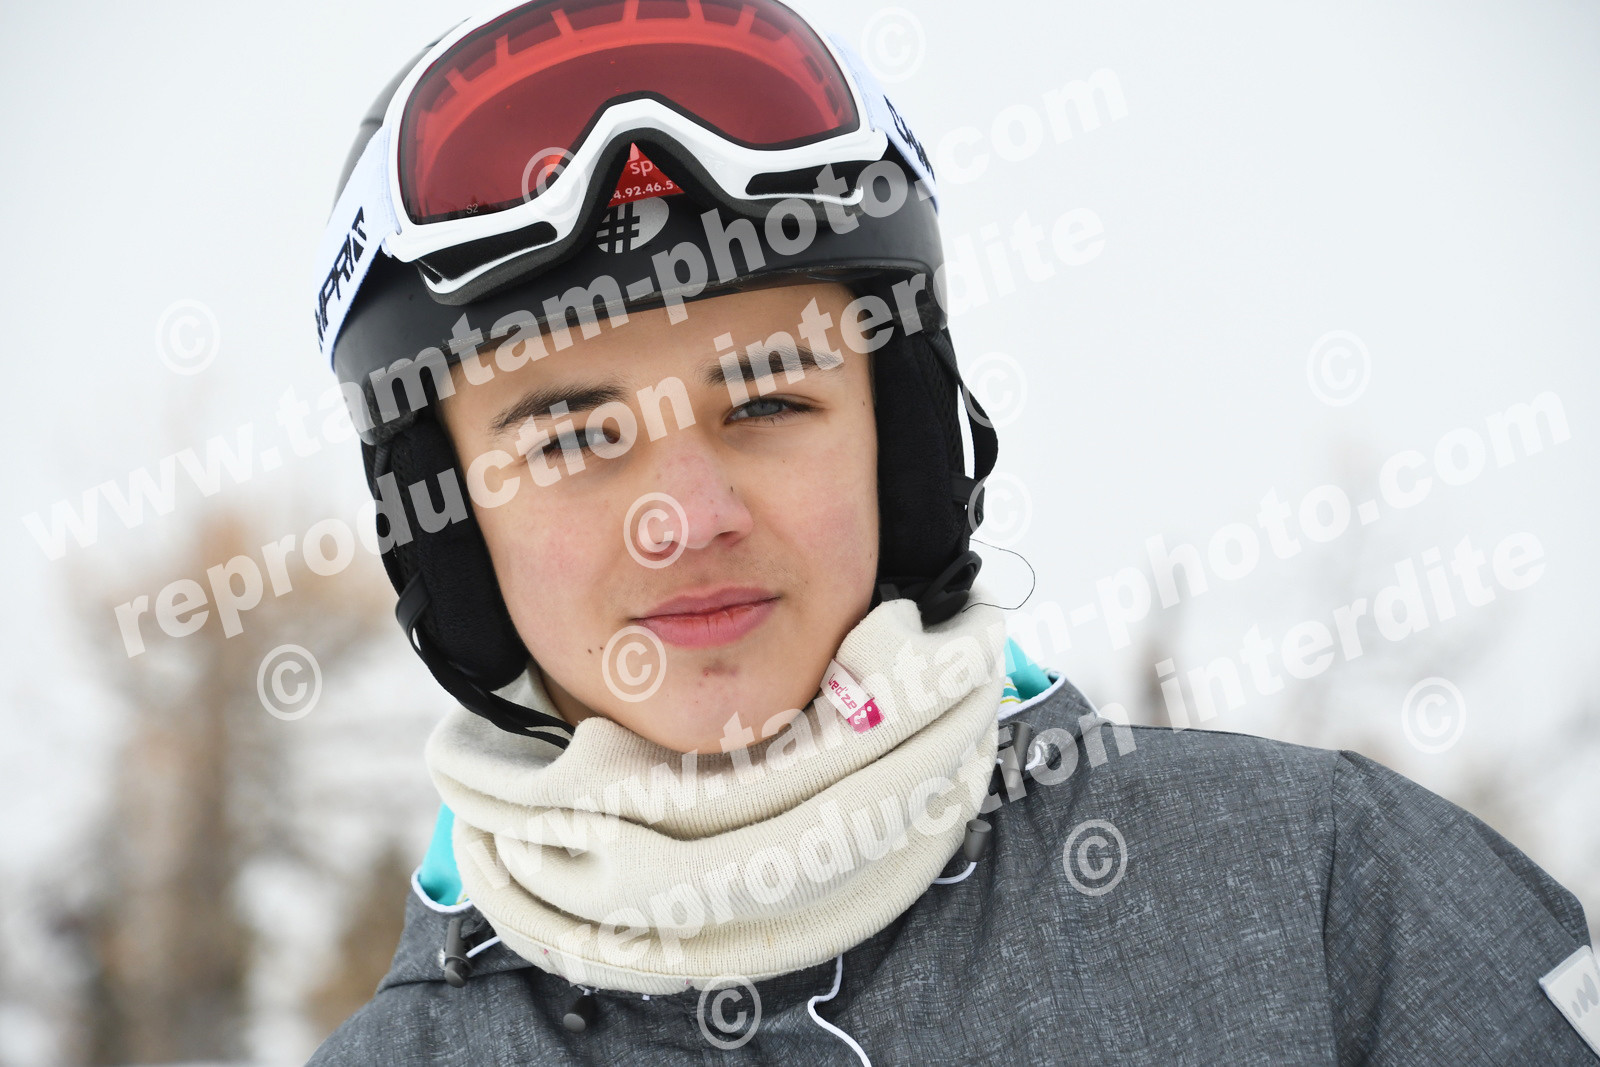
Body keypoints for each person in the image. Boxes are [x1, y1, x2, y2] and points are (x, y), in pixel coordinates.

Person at [305, 1, 1597, 1063]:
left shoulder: (1321, 902)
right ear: (448, 523)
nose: (688, 519)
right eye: (573, 441)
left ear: (905, 441)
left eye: (769, 401)